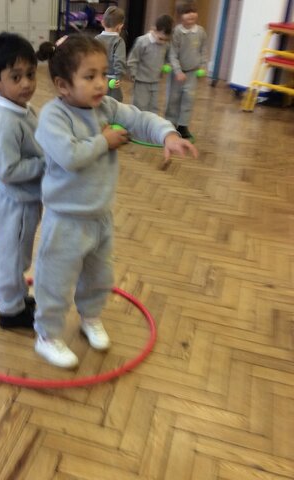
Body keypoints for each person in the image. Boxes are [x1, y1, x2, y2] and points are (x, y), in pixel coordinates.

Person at [34, 34, 198, 368]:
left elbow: (140, 118)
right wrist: (104, 141)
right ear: (63, 85)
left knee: (99, 277)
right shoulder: (54, 116)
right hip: (65, 221)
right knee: (55, 281)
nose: (101, 83)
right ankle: (47, 336)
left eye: (104, 73)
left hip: (101, 217)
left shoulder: (107, 107)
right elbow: (68, 156)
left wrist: (167, 134)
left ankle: (90, 317)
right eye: (89, 76)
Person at [0, 32, 44, 329]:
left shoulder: (23, 109)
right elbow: (8, 170)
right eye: (16, 77)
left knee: (3, 251)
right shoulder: (5, 122)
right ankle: (12, 310)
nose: (26, 84)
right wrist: (46, 164)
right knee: (14, 258)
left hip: (16, 199)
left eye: (31, 74)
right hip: (16, 203)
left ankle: (0, 295)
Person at [164, 1, 208, 139]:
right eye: (186, 12)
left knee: (188, 99)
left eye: (193, 12)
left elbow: (203, 50)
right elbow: (172, 54)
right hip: (177, 74)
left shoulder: (200, 32)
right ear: (180, 16)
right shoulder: (177, 32)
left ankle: (183, 126)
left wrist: (203, 66)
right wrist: (178, 71)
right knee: (173, 99)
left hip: (192, 73)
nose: (191, 15)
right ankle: (170, 124)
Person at [127, 14, 174, 113]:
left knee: (153, 107)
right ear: (154, 29)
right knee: (140, 107)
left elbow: (167, 58)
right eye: (161, 39)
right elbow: (133, 60)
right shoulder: (142, 41)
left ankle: (150, 122)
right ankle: (137, 123)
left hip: (155, 81)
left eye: (166, 40)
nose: (163, 42)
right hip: (141, 81)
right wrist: (133, 74)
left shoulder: (166, 44)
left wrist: (166, 65)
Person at [95, 6, 127, 102]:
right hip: (112, 80)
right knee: (115, 104)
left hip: (98, 77)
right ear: (120, 26)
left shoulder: (96, 39)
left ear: (102, 22)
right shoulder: (119, 41)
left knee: (98, 101)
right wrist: (119, 77)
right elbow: (119, 60)